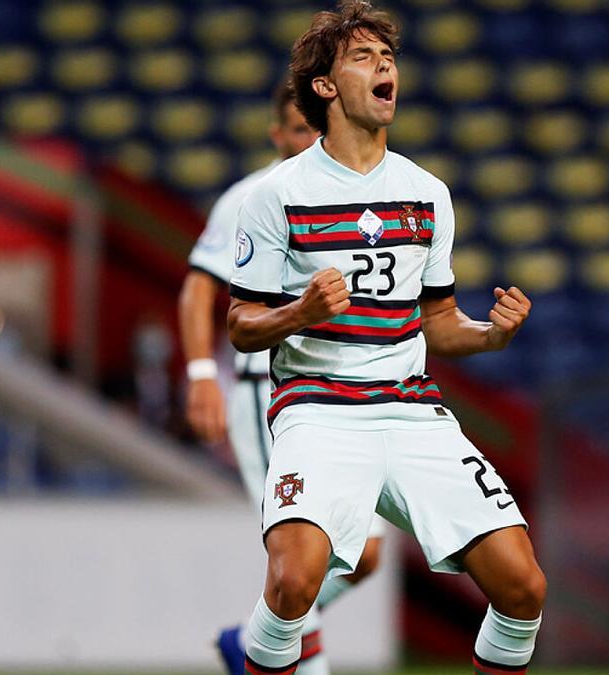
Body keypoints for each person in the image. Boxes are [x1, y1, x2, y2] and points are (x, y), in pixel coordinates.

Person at [226, 3, 546, 674]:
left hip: (408, 409)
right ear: (324, 86)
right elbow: (241, 323)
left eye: (389, 58)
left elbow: (438, 323)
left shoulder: (427, 193)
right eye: (364, 58)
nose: (385, 68)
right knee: (291, 584)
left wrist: (491, 336)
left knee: (523, 586)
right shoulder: (276, 195)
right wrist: (299, 313)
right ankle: (249, 651)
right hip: (317, 412)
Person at [178, 81, 383, 675]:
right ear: (276, 135)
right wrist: (200, 375)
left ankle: (252, 639)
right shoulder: (251, 197)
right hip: (270, 389)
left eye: (317, 127)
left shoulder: (356, 196)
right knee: (301, 554)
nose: (308, 140)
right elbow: (198, 288)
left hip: (343, 391)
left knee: (364, 555)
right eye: (296, 129)